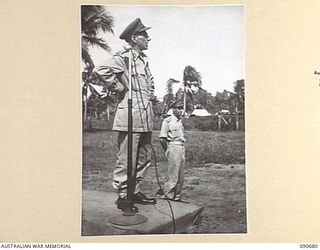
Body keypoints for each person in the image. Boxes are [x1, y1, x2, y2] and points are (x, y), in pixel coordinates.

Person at [92, 18, 156, 212]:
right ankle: (122, 195)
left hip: (144, 117)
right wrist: (120, 87)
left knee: (144, 156)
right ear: (134, 38)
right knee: (126, 158)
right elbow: (99, 70)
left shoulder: (143, 60)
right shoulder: (124, 58)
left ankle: (134, 190)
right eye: (144, 35)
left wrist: (150, 91)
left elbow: (149, 83)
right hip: (129, 116)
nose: (148, 39)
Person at [157, 102, 186, 201]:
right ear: (173, 109)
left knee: (180, 174)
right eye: (179, 108)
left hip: (181, 147)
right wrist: (168, 150)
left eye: (182, 108)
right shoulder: (168, 121)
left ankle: (177, 195)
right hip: (173, 146)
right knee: (173, 173)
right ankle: (168, 195)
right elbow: (162, 138)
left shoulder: (179, 121)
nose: (181, 110)